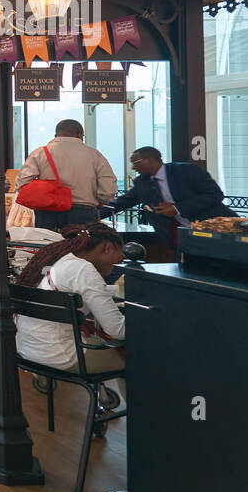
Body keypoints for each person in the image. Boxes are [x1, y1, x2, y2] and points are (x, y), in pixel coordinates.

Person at [13, 223, 126, 388]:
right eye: (119, 257)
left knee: (96, 340)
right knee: (137, 357)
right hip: (60, 356)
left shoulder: (59, 260)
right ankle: (142, 413)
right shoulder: (83, 269)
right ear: (107, 248)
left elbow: (83, 290)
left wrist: (115, 290)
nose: (118, 263)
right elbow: (118, 331)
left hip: (27, 350)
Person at [102, 146, 234, 243]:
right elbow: (121, 203)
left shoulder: (185, 171)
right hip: (179, 237)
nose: (133, 168)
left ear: (150, 160)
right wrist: (90, 215)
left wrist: (177, 208)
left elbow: (214, 194)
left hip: (216, 230)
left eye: (136, 163)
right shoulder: (143, 183)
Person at [15, 119, 117, 230]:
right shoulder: (94, 155)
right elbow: (108, 188)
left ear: (56, 134)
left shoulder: (41, 153)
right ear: (80, 134)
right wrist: (101, 201)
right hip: (84, 212)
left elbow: (23, 182)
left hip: (48, 212)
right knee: (83, 246)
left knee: (51, 246)